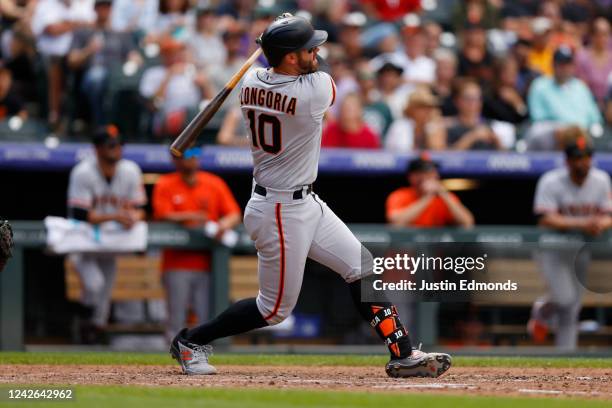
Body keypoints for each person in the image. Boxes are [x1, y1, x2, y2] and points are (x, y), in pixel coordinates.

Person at [169, 14, 451, 378]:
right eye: (307, 48)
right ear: (288, 57)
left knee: (362, 267)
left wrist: (277, 37)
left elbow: (298, 61)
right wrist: (280, 34)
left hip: (303, 201)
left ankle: (404, 353)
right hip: (280, 210)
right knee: (273, 311)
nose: (316, 52)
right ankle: (191, 341)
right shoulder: (313, 91)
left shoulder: (251, 81)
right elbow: (325, 68)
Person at [529, 134, 612, 350]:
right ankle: (543, 310)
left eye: (586, 157)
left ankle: (566, 356)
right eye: (576, 158)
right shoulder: (551, 181)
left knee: (573, 307)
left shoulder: (601, 179)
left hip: (580, 250)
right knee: (565, 300)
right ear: (567, 161)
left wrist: (601, 223)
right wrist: (585, 223)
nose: (581, 162)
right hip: (552, 249)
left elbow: (608, 214)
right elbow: (545, 218)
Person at [66, 125, 147, 341]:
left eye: (119, 144)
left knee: (104, 292)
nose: (116, 148)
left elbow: (140, 209)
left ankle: (93, 332)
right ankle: (83, 322)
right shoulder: (83, 171)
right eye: (110, 145)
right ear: (97, 149)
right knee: (94, 285)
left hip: (110, 241)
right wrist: (116, 216)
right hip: (83, 240)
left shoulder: (130, 170)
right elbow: (79, 214)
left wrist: (133, 218)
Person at [153, 146, 241, 341]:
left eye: (195, 155)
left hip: (207, 264)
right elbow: (162, 214)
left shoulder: (213, 183)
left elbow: (234, 213)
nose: (192, 160)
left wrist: (223, 224)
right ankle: (170, 356)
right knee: (175, 318)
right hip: (176, 263)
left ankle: (203, 353)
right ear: (175, 160)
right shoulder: (165, 183)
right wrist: (191, 216)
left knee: (206, 316)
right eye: (187, 156)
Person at [67, 0, 141, 126]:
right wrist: (88, 50)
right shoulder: (84, 32)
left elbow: (134, 56)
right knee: (97, 77)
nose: (104, 10)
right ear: (95, 9)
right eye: (101, 7)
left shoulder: (120, 34)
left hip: (117, 75)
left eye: (107, 7)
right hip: (91, 74)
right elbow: (71, 60)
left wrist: (133, 60)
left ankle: (122, 126)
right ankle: (100, 124)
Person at [526, 46, 603, 150]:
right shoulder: (540, 85)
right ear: (553, 65)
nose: (564, 68)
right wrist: (564, 129)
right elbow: (538, 117)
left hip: (581, 132)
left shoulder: (580, 86)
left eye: (568, 64)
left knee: (596, 132)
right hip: (553, 131)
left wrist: (580, 129)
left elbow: (594, 117)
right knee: (538, 130)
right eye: (561, 64)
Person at [386, 155, 474, 228]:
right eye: (424, 172)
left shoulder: (444, 197)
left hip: (435, 247)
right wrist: (427, 197)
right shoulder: (400, 195)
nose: (430, 176)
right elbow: (396, 223)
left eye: (432, 172)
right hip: (407, 247)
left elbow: (467, 223)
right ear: (412, 176)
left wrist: (444, 194)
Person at [446, 78, 505, 150]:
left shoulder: (492, 126)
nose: (473, 103)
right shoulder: (449, 127)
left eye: (477, 98)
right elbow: (445, 157)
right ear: (457, 101)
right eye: (468, 98)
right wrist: (472, 137)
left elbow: (505, 158)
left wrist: (497, 141)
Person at [384, 88, 446, 152]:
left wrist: (432, 131)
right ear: (412, 109)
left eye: (429, 107)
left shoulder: (431, 126)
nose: (427, 111)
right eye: (422, 107)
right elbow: (404, 154)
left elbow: (437, 152)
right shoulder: (400, 126)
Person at [575, 17, 612, 108]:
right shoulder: (581, 56)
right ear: (592, 35)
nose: (602, 38)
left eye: (605, 34)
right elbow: (580, 86)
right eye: (598, 34)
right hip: (587, 103)